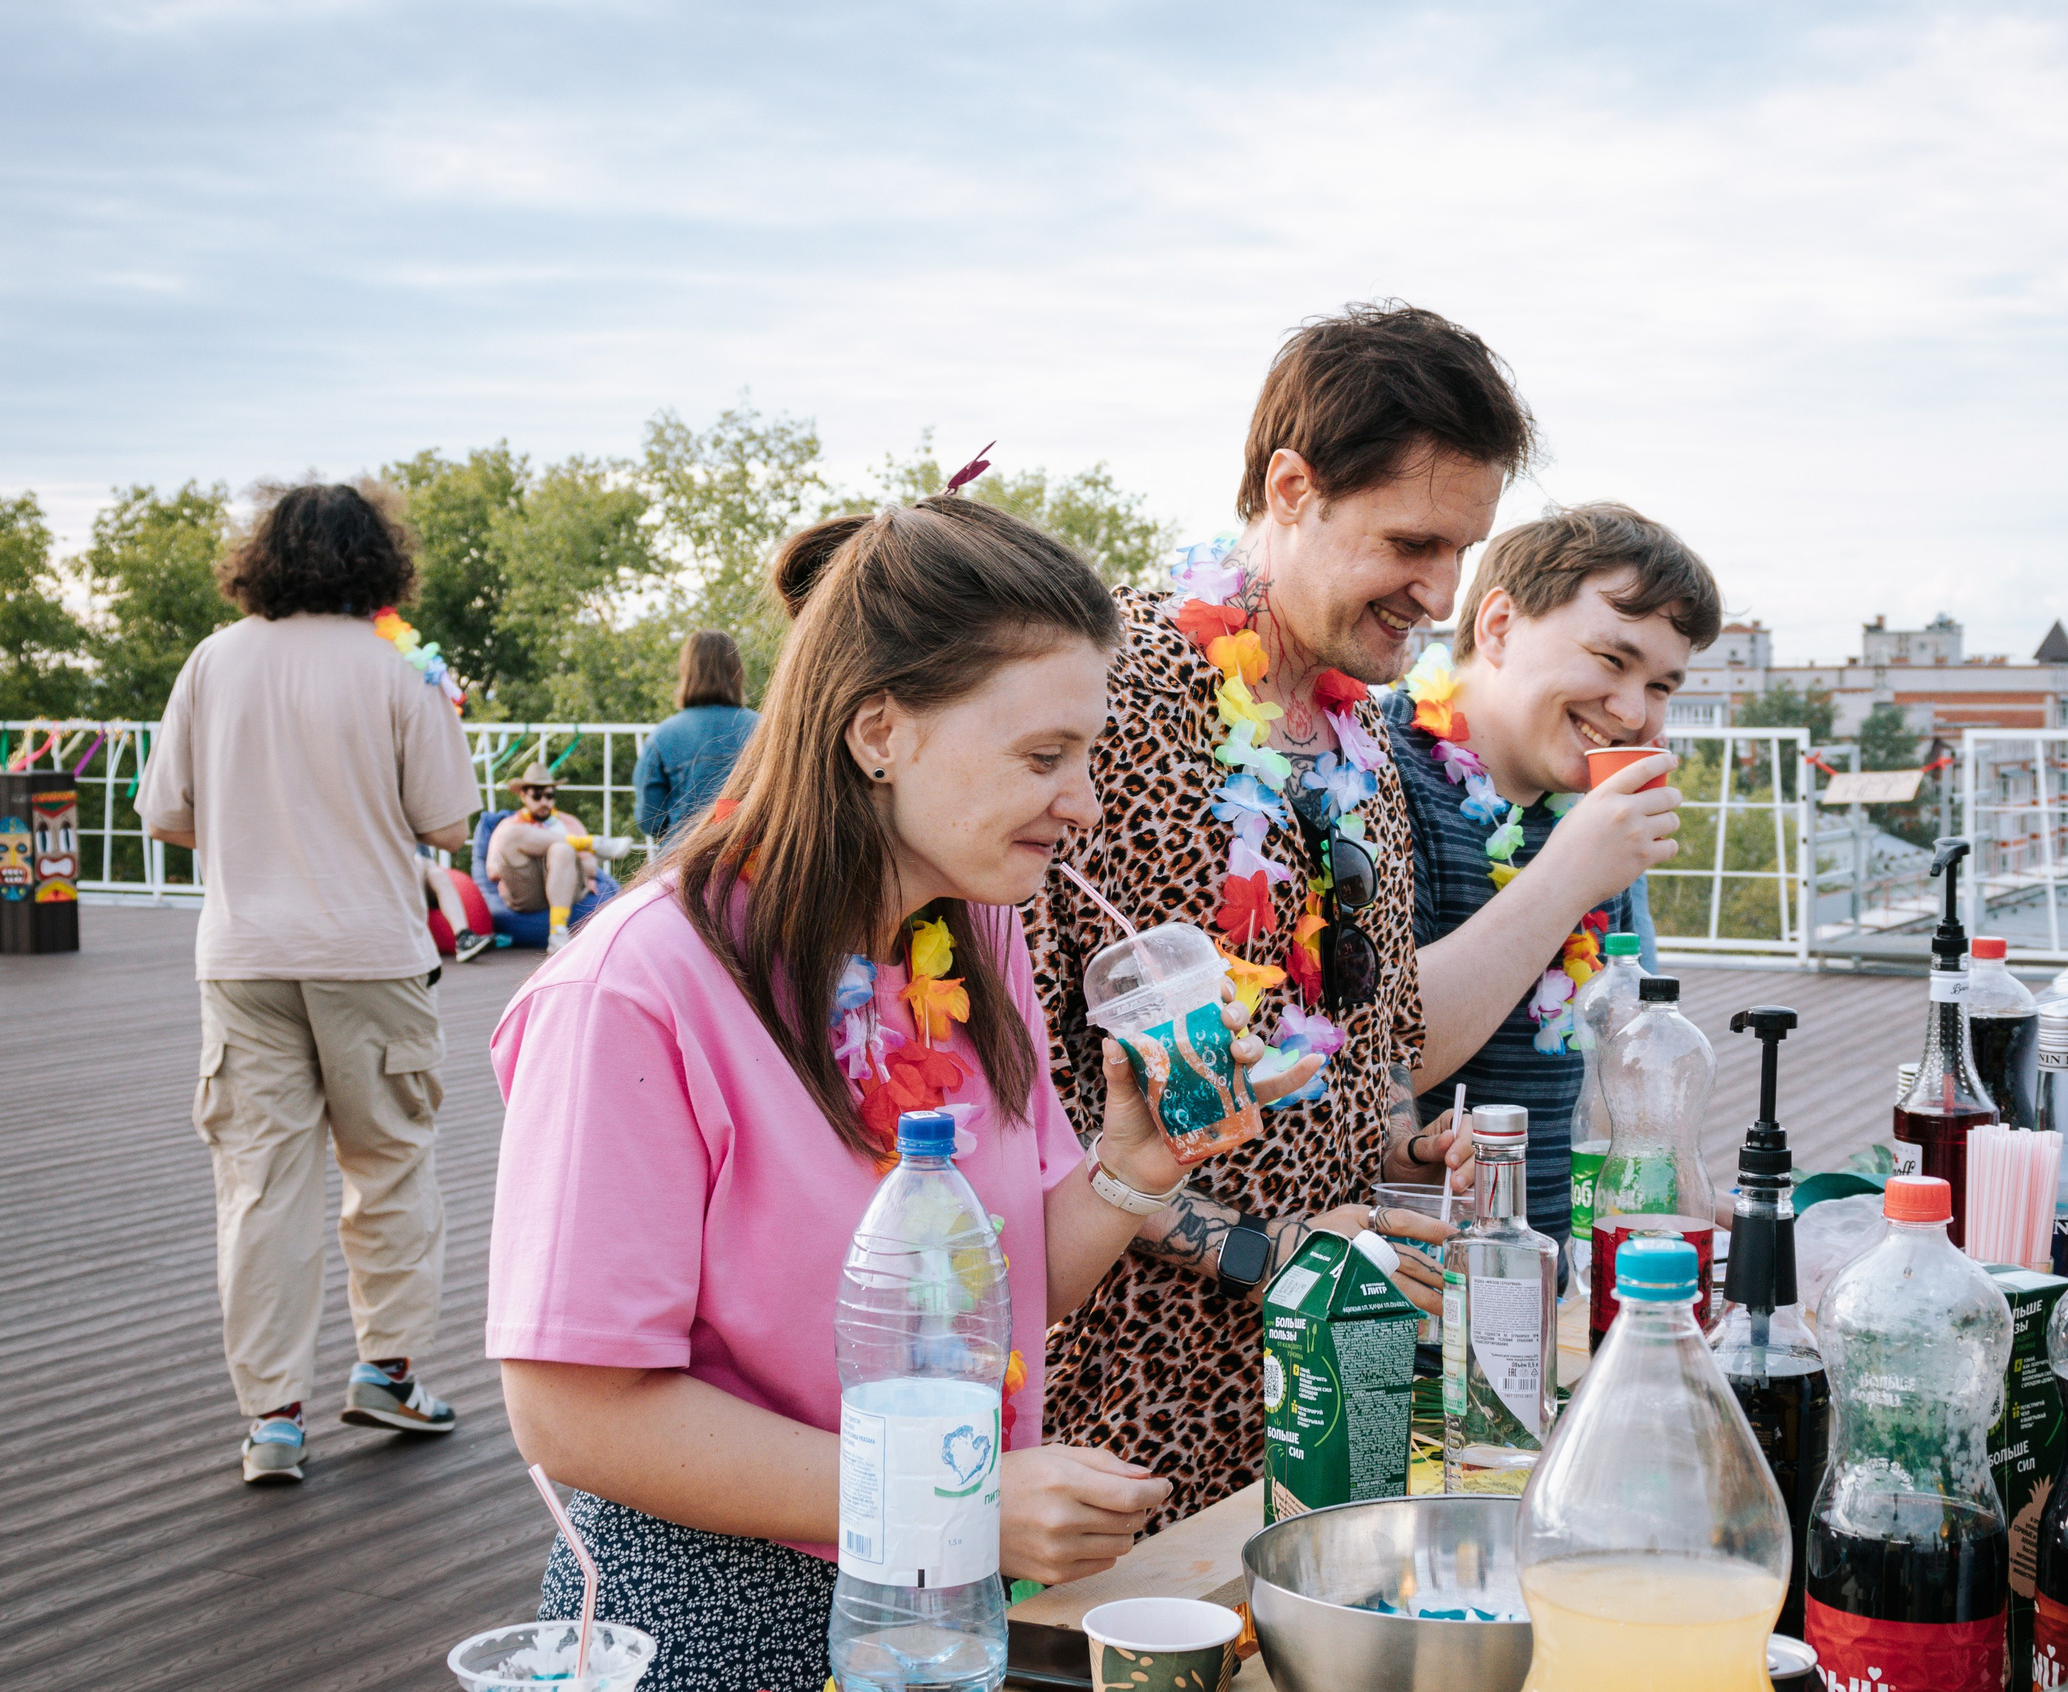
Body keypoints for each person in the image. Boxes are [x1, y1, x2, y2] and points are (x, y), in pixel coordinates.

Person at [486, 497, 1308, 1692]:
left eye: (1088, 755)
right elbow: (573, 1413)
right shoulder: (633, 991)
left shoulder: (973, 933)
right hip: (717, 1618)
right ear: (879, 730)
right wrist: (952, 1496)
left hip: (943, 1603)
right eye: (1043, 757)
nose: (1082, 802)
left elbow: (1008, 1287)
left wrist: (1135, 1163)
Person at [1025, 301, 1542, 1525]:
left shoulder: (1361, 730)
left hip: (1320, 1402)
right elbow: (1035, 1098)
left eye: (1462, 550)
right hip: (1117, 1428)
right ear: (1292, 487)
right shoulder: (1117, 697)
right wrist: (1270, 1248)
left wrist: (1402, 1153)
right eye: (1411, 541)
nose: (1440, 591)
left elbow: (1361, 1056)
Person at [137, 480, 482, 1486]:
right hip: (369, 953)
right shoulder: (398, 669)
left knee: (259, 1190)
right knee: (389, 1166)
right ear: (380, 561)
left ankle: (274, 1420)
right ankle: (387, 1371)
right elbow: (449, 822)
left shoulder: (214, 659)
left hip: (243, 956)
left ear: (264, 557)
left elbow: (166, 814)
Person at [1384, 503, 1719, 1255]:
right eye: (1611, 659)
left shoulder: (1595, 809)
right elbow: (1382, 1052)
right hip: (1418, 1295)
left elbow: (1629, 1073)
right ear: (1498, 626)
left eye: (1662, 685)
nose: (1633, 711)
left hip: (1569, 1277)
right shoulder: (1374, 770)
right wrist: (1569, 872)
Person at [485, 762, 630, 951]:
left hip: (567, 887)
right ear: (523, 795)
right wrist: (535, 851)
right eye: (537, 796)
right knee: (512, 836)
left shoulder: (569, 822)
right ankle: (592, 843)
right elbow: (493, 871)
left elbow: (591, 868)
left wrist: (556, 862)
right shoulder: (509, 826)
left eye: (549, 795)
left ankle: (558, 932)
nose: (544, 801)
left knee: (561, 850)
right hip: (527, 889)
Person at [636, 628, 759, 842]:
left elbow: (649, 821)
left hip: (681, 861)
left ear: (686, 672)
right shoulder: (765, 729)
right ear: (737, 671)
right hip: (752, 860)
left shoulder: (662, 737)